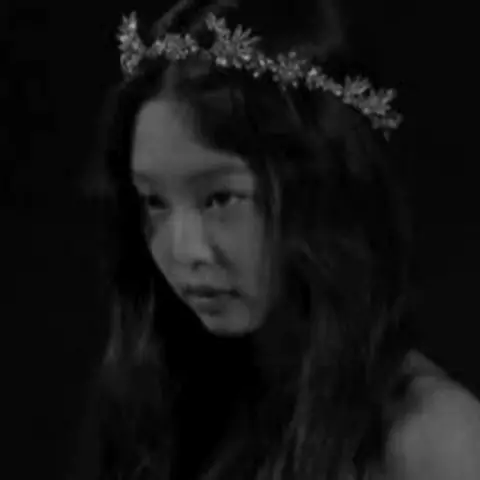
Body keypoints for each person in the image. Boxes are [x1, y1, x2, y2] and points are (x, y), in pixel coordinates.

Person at [70, 0, 480, 479]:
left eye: (220, 198)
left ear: (323, 191)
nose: (182, 251)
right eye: (154, 202)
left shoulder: (435, 440)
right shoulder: (165, 402)